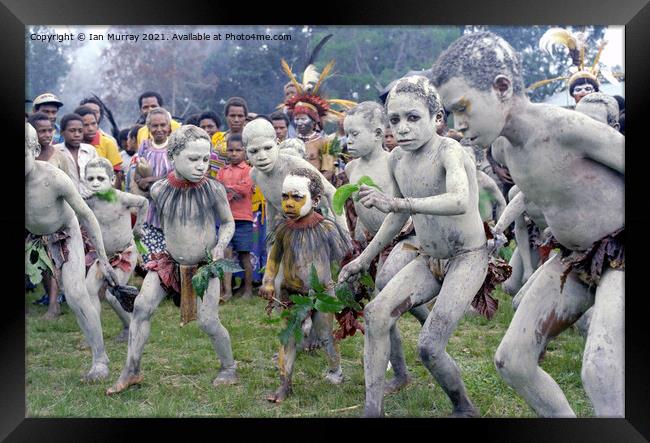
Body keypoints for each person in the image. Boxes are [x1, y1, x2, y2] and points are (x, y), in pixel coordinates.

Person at [431, 31, 624, 417]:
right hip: (574, 258)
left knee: (601, 368)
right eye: (452, 113)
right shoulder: (503, 147)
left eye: (463, 108)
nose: (458, 123)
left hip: (621, 253)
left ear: (502, 87)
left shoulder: (565, 128)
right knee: (513, 362)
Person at [338, 76, 494, 418]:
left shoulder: (449, 150)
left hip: (466, 258)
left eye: (413, 118)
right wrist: (363, 259)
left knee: (430, 346)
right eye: (395, 120)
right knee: (376, 314)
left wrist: (396, 202)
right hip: (429, 258)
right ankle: (371, 410)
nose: (403, 128)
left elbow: (458, 200)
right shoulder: (397, 160)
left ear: (437, 117)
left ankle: (464, 407)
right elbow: (397, 215)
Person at [106, 125, 238, 395]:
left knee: (208, 321)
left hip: (205, 265)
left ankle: (228, 367)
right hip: (169, 262)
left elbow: (227, 223)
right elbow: (163, 224)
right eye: (193, 159)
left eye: (205, 159)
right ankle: (132, 370)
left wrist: (220, 246)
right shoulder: (159, 190)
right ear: (173, 155)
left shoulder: (213, 190)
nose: (201, 166)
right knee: (141, 307)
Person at [343, 101, 431, 393]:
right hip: (375, 242)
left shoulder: (395, 160)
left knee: (385, 297)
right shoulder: (351, 167)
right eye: (346, 134)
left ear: (379, 132)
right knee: (388, 304)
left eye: (354, 134)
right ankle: (404, 368)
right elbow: (357, 205)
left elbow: (403, 202)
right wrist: (357, 232)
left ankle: (422, 337)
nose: (348, 140)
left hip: (404, 238)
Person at [25, 123, 119, 382]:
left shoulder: (53, 178)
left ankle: (100, 359)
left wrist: (102, 258)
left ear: (34, 150)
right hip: (32, 237)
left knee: (76, 295)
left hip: (65, 232)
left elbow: (86, 215)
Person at [260, 168, 351, 403]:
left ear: (316, 200)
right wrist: (269, 281)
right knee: (287, 337)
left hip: (323, 294)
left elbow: (345, 259)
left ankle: (335, 370)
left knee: (326, 335)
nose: (289, 203)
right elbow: (273, 257)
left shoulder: (327, 228)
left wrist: (349, 285)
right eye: (285, 196)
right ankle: (284, 383)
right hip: (290, 293)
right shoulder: (283, 229)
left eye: (297, 197)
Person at [83, 157, 149, 342]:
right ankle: (94, 334)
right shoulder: (88, 201)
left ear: (112, 179)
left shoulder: (120, 197)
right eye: (91, 179)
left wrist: (138, 228)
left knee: (113, 295)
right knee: (88, 290)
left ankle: (131, 328)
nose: (95, 183)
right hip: (102, 256)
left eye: (100, 178)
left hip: (124, 254)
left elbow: (143, 203)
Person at [27, 112, 71, 317]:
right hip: (32, 217)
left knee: (54, 260)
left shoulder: (59, 156)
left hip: (55, 218)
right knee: (40, 261)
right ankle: (49, 298)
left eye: (49, 130)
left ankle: (54, 304)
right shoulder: (29, 156)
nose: (46, 134)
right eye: (41, 131)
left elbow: (71, 186)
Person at [216, 134, 255, 300]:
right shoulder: (222, 171)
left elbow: (245, 189)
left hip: (243, 219)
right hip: (226, 219)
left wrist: (228, 189)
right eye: (230, 150)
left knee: (245, 254)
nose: (233, 153)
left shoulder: (249, 170)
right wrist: (231, 189)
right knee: (226, 254)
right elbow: (217, 190)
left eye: (238, 150)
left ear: (244, 152)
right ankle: (227, 291)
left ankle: (248, 290)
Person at [134, 108, 174, 263]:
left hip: (170, 205)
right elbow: (138, 171)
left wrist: (150, 179)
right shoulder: (144, 146)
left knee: (170, 253)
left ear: (169, 127)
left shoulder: (174, 147)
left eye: (163, 125)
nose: (159, 129)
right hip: (150, 205)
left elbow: (175, 174)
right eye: (154, 126)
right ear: (148, 128)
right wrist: (141, 181)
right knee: (150, 254)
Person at [74, 106, 123, 189]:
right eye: (85, 125)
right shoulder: (73, 145)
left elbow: (116, 175)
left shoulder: (108, 143)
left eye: (93, 123)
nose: (91, 128)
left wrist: (113, 199)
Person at [53, 113, 98, 198]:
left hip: (91, 200)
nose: (77, 134)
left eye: (80, 131)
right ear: (62, 132)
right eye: (72, 131)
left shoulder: (90, 151)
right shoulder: (55, 151)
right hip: (66, 203)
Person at [208, 97, 248, 178]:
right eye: (232, 116)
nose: (236, 119)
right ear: (226, 116)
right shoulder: (218, 138)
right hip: (216, 185)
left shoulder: (251, 139)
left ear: (245, 117)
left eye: (240, 116)